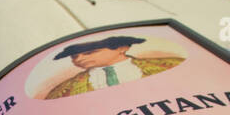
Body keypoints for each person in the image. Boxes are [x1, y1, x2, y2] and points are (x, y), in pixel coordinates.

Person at [43, 36, 184, 99]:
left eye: (89, 52)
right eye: (74, 57)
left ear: (122, 48)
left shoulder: (170, 66)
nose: (79, 59)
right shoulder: (64, 90)